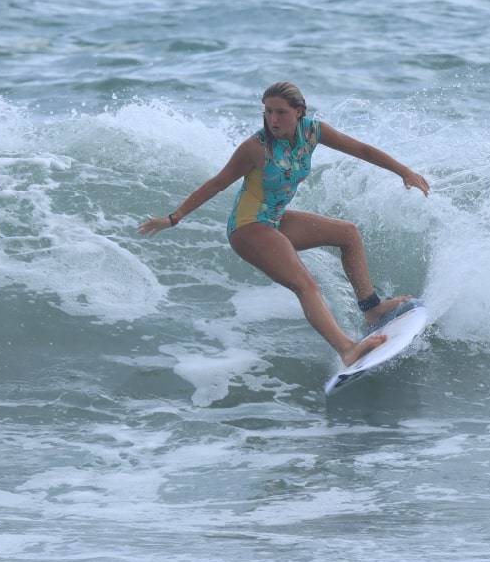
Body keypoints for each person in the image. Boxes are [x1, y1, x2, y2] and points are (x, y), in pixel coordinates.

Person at [138, 81, 430, 366]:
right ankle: (348, 350)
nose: (272, 119)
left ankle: (373, 310)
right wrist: (173, 218)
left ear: (299, 111)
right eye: (267, 111)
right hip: (248, 228)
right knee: (306, 285)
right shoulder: (255, 148)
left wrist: (403, 171)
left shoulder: (313, 132)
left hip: (275, 220)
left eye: (280, 112)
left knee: (348, 233)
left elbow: (362, 150)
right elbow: (216, 184)